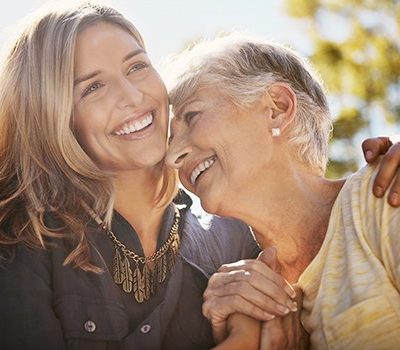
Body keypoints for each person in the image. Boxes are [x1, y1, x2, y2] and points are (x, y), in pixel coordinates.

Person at [0, 4, 296, 349]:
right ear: (53, 118)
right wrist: (242, 341)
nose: (132, 96)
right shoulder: (20, 239)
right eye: (93, 88)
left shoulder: (231, 232)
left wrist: (369, 189)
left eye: (137, 66)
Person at [165, 33, 400, 349]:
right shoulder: (240, 299)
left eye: (191, 116)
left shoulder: (382, 199)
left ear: (277, 108)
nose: (171, 156)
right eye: (169, 138)